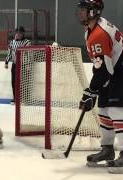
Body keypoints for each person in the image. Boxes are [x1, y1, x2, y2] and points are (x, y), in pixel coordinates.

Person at [77, 0, 123, 170]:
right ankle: (107, 149)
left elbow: (104, 69)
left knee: (117, 110)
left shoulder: (98, 34)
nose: (81, 13)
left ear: (94, 12)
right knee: (103, 108)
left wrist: (90, 91)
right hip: (113, 68)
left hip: (119, 69)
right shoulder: (93, 28)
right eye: (80, 10)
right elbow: (101, 67)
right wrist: (93, 91)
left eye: (84, 10)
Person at [4, 26, 31, 104]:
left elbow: (29, 54)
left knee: (24, 81)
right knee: (14, 81)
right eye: (17, 33)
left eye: (20, 33)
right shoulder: (12, 42)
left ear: (23, 34)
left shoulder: (27, 42)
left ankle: (24, 99)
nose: (18, 34)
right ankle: (15, 98)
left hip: (23, 65)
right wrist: (6, 62)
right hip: (15, 65)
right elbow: (9, 53)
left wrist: (28, 64)